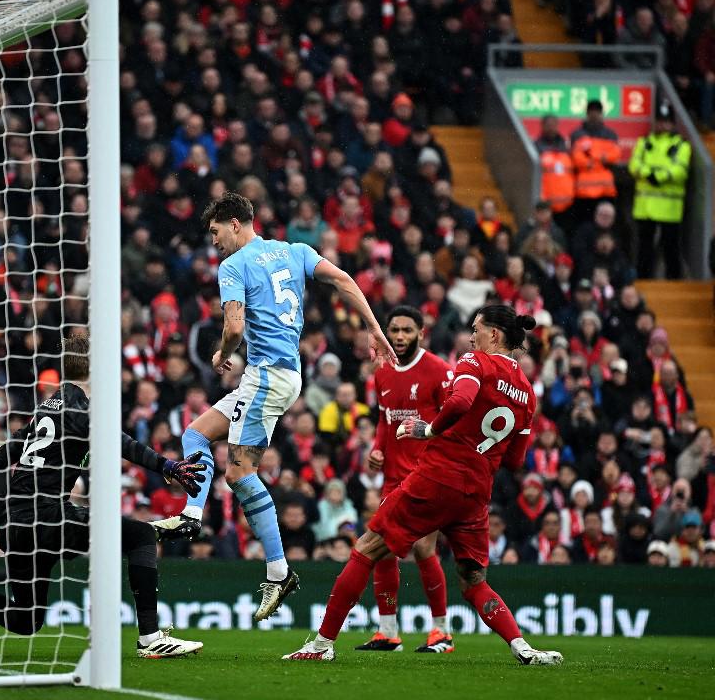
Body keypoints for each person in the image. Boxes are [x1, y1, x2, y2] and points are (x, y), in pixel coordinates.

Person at [152, 191, 397, 622]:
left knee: (239, 472)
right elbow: (343, 280)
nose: (214, 243)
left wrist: (221, 352)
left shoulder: (233, 265)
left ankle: (275, 569)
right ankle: (194, 515)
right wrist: (374, 328)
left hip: (266, 376)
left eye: (215, 232)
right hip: (284, 374)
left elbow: (233, 325)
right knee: (196, 433)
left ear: (234, 223)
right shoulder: (294, 251)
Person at [284, 305, 562, 665]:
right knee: (474, 580)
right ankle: (523, 648)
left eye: (476, 328)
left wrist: (428, 429)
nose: (471, 335)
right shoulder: (527, 391)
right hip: (476, 494)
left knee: (366, 548)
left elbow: (461, 400)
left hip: (437, 477)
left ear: (494, 334)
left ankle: (320, 646)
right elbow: (515, 461)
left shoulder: (474, 362)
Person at [0, 333, 206, 659]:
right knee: (139, 535)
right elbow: (122, 442)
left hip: (14, 525)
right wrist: (168, 465)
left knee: (25, 619)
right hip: (47, 516)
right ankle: (150, 636)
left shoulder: (47, 406)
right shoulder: (80, 408)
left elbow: (17, 443)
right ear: (96, 368)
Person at [354, 305, 455, 654]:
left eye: (406, 331)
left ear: (421, 333)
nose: (398, 337)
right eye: (394, 330)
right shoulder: (382, 371)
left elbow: (453, 423)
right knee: (383, 552)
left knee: (425, 547)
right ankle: (388, 632)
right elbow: (385, 420)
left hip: (426, 476)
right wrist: (378, 449)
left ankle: (442, 631)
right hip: (392, 477)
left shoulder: (440, 372)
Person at [628, 102, 691, 279]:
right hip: (645, 207)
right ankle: (643, 280)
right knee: (644, 248)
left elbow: (680, 170)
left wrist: (659, 177)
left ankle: (673, 283)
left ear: (673, 124)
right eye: (660, 121)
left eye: (666, 122)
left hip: (670, 209)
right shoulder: (644, 142)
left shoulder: (680, 145)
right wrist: (650, 175)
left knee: (670, 247)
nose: (663, 125)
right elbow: (634, 165)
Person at [570, 99, 621, 226]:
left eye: (597, 112)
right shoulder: (577, 134)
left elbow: (614, 155)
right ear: (587, 113)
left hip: (605, 191)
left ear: (601, 114)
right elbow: (577, 159)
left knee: (605, 224)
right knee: (584, 224)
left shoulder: (610, 134)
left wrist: (592, 156)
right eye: (591, 112)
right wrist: (601, 157)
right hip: (584, 191)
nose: (594, 115)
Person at [535, 115, 576, 237]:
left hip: (567, 205)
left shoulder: (566, 147)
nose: (551, 128)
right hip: (546, 205)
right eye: (548, 125)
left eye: (554, 125)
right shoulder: (535, 147)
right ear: (542, 126)